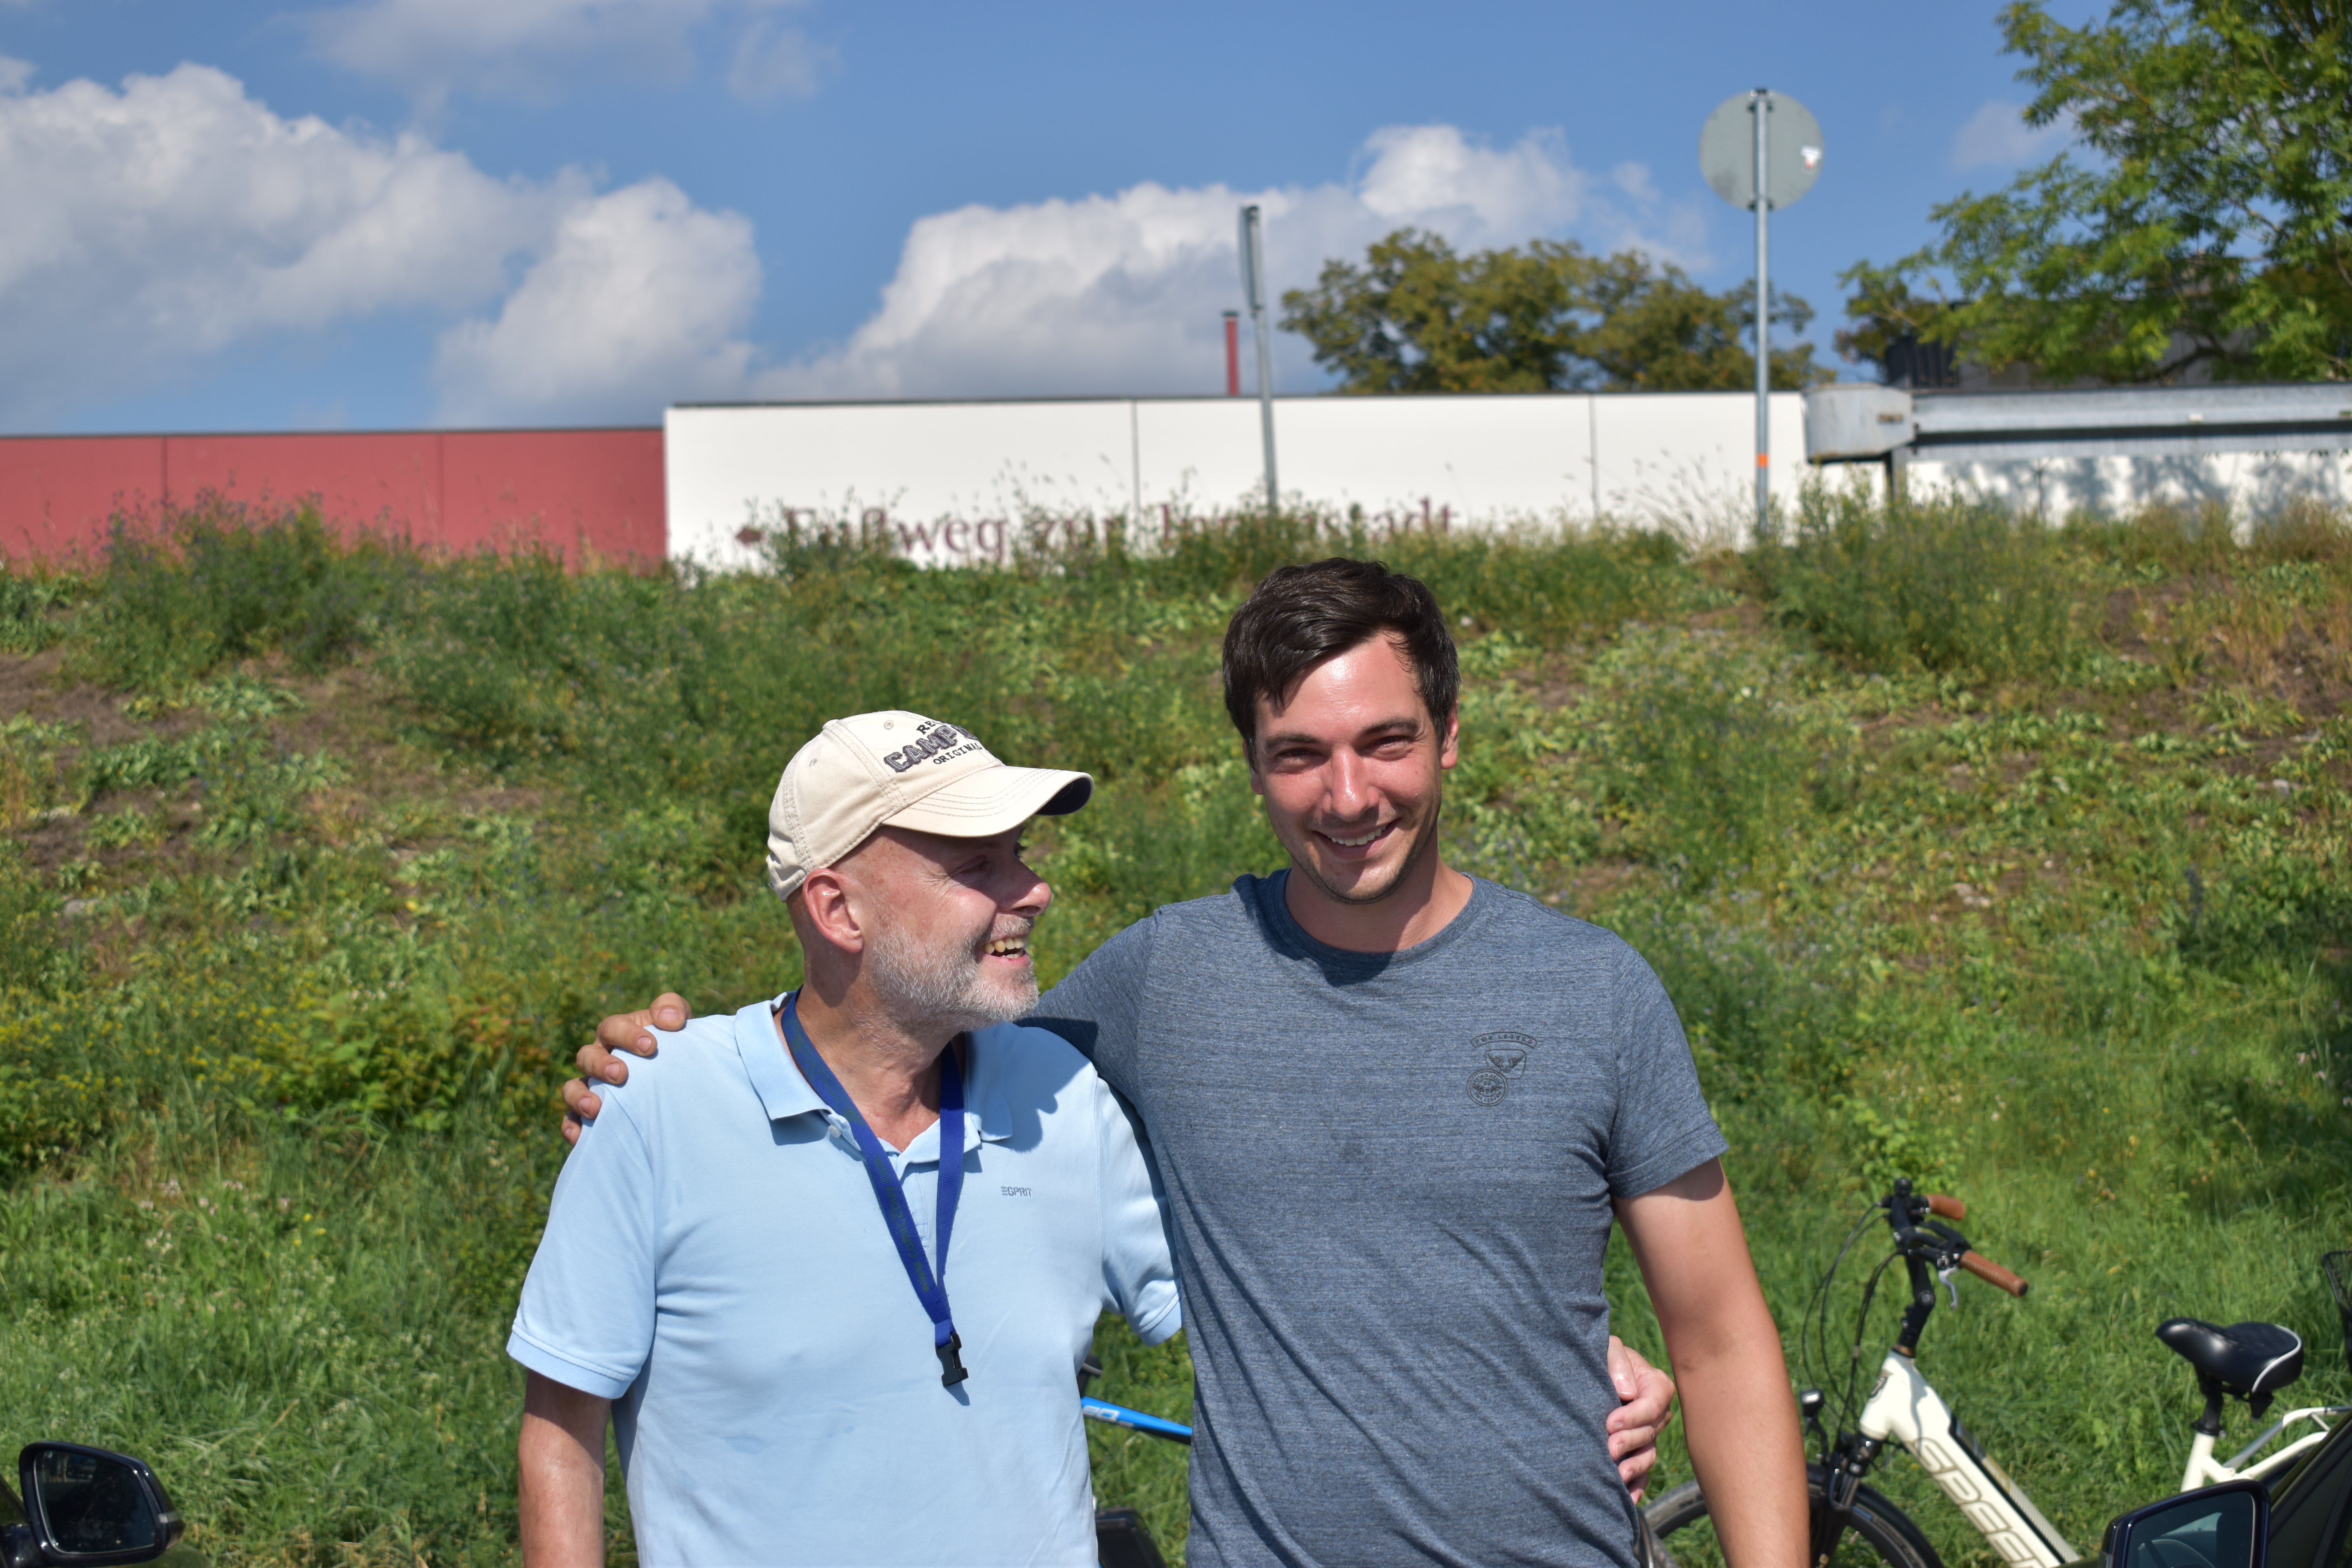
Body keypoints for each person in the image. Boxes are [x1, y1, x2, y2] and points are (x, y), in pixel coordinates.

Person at [567, 560, 1807, 1568]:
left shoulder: (1593, 989)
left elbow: (1722, 1343)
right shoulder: (1164, 981)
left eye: (1387, 742)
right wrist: (665, 1084)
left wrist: (1582, 1353)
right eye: (1299, 755)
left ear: (1451, 738)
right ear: (1252, 764)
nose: (1349, 793)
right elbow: (894, 1043)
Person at [512, 712, 1180, 1567]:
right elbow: (561, 1433)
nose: (1036, 888)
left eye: (1021, 851)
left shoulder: (1062, 1091)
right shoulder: (656, 1109)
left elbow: (1248, 1320)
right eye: (979, 864)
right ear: (838, 908)